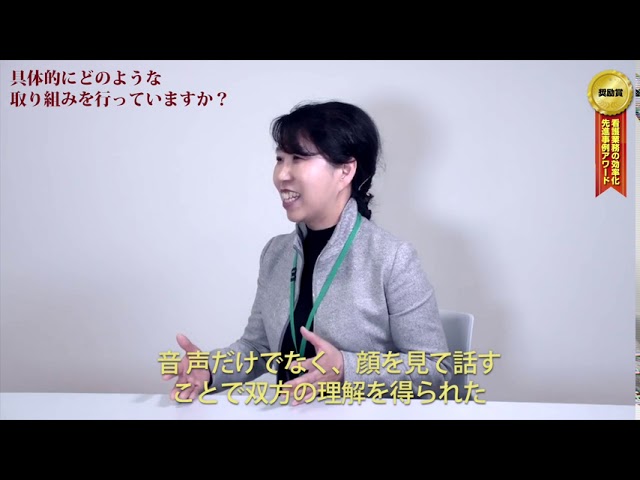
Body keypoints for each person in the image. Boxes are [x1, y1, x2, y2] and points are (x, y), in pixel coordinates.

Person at [163, 100, 453, 405]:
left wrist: (346, 368)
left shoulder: (392, 258)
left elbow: (436, 368)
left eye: (298, 158)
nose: (282, 175)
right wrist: (209, 369)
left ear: (345, 170)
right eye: (280, 159)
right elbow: (257, 349)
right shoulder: (276, 253)